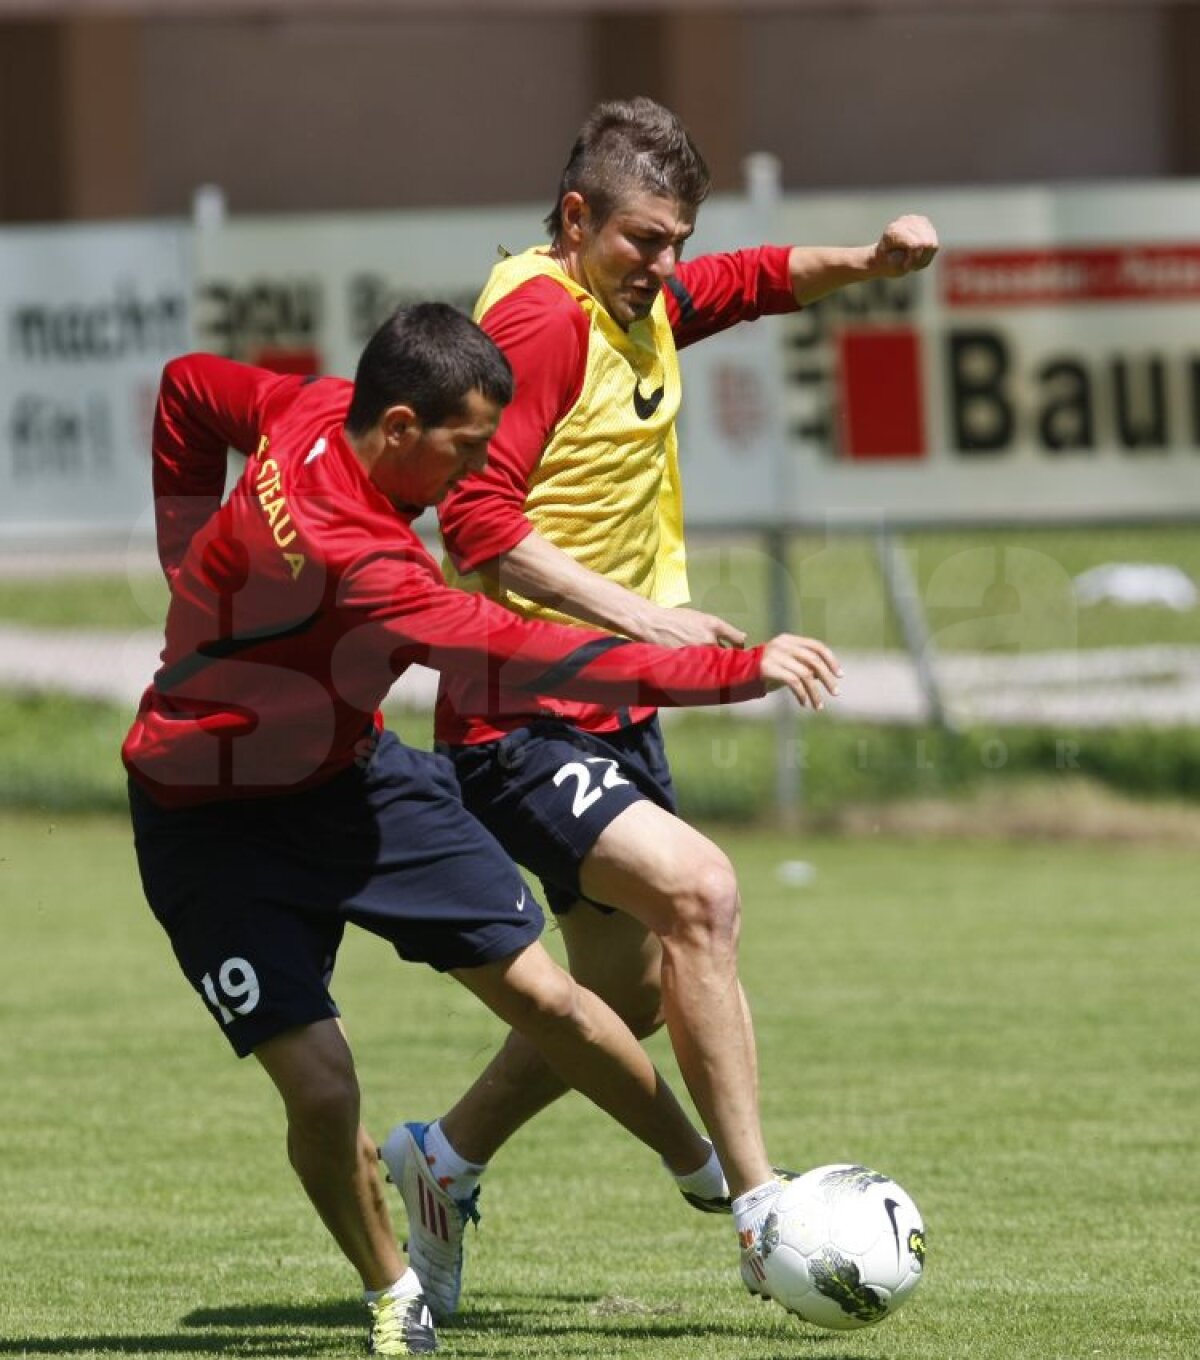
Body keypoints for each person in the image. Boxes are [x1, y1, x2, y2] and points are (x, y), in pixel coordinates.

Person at [122, 302, 842, 1356]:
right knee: (322, 1088)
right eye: (465, 449)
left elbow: (188, 385)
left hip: (352, 785)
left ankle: (712, 1177)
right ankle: (393, 1291)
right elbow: (537, 653)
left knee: (550, 993)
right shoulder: (370, 566)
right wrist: (735, 671)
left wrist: (184, 554)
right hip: (208, 823)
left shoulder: (311, 406)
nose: (476, 473)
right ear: (399, 426)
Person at [382, 98, 938, 1317]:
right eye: (645, 238)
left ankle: (443, 1159)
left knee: (626, 992)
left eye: (679, 238)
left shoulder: (634, 297)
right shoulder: (540, 320)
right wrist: (644, 618)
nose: (667, 263)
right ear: (577, 215)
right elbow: (474, 524)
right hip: (521, 712)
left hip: (608, 707)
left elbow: (750, 281)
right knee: (704, 892)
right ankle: (761, 1209)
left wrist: (870, 261)